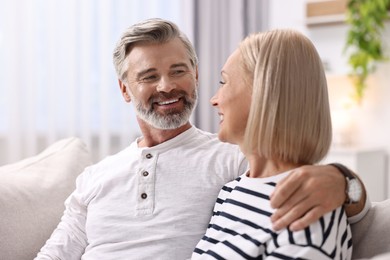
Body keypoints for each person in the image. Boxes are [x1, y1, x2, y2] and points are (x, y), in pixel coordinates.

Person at [36, 19, 367, 259]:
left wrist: (342, 179)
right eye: (149, 76)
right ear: (125, 89)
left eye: (178, 70)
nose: (166, 86)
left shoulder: (233, 160)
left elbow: (297, 178)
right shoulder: (95, 177)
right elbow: (56, 253)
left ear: (195, 74)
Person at [192, 29, 352, 259]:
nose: (214, 99)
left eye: (223, 82)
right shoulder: (231, 191)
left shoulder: (309, 211)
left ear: (264, 93)